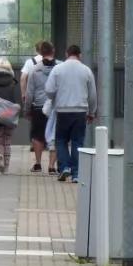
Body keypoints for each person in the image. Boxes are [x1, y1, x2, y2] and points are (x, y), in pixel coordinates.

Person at [45, 44, 98, 182]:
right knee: (77, 142)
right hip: (80, 112)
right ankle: (76, 174)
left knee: (61, 140)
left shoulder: (57, 69)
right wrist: (91, 112)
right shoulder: (86, 71)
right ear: (80, 55)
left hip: (62, 111)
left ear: (66, 53)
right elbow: (92, 95)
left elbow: (49, 90)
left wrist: (56, 97)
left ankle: (64, 168)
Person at [25, 41, 59, 174]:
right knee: (55, 135)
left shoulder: (34, 69)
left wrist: (27, 110)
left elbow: (29, 93)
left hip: (38, 106)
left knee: (38, 136)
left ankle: (38, 164)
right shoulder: (60, 67)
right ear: (53, 50)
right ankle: (51, 166)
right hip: (56, 107)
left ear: (40, 52)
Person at [20, 42, 43, 153]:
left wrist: (24, 93)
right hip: (49, 97)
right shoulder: (52, 62)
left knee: (34, 121)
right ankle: (47, 143)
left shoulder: (30, 62)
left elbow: (23, 78)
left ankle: (34, 144)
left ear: (36, 50)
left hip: (34, 97)